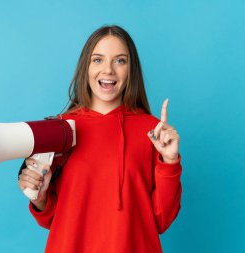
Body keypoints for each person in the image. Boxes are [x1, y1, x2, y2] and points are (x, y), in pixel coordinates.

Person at [18, 25, 182, 253]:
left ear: (130, 70)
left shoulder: (154, 132)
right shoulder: (59, 130)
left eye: (120, 61)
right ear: (86, 66)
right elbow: (49, 218)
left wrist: (170, 162)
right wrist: (39, 196)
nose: (108, 70)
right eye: (98, 60)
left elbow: (161, 220)